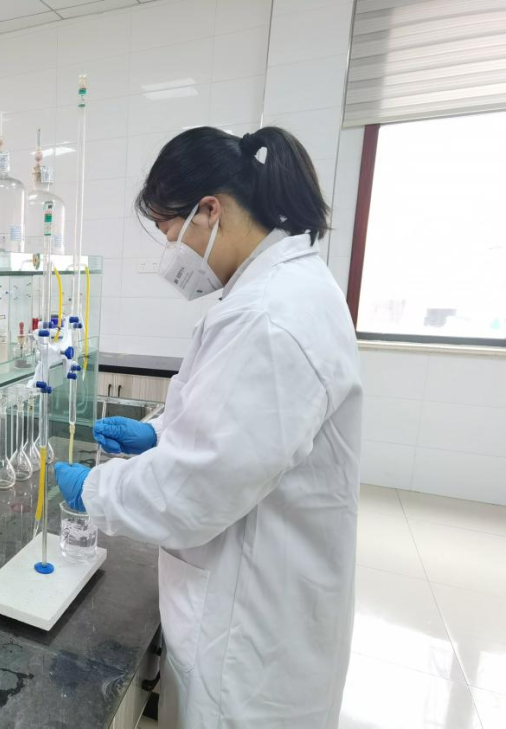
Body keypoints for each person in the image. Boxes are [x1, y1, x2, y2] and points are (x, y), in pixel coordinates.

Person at [55, 127, 362, 727]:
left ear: (209, 211)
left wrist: (93, 490)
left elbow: (196, 488)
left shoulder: (268, 317)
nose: (170, 251)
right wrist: (162, 433)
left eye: (169, 230)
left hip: (249, 635)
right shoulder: (273, 291)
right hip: (258, 585)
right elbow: (236, 429)